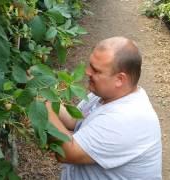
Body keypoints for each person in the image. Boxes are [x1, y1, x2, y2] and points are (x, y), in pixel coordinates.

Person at [45, 36, 162, 179]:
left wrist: (44, 107)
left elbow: (66, 153)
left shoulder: (126, 120)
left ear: (119, 79)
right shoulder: (108, 94)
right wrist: (44, 94)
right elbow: (74, 119)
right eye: (90, 65)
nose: (87, 71)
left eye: (96, 70)